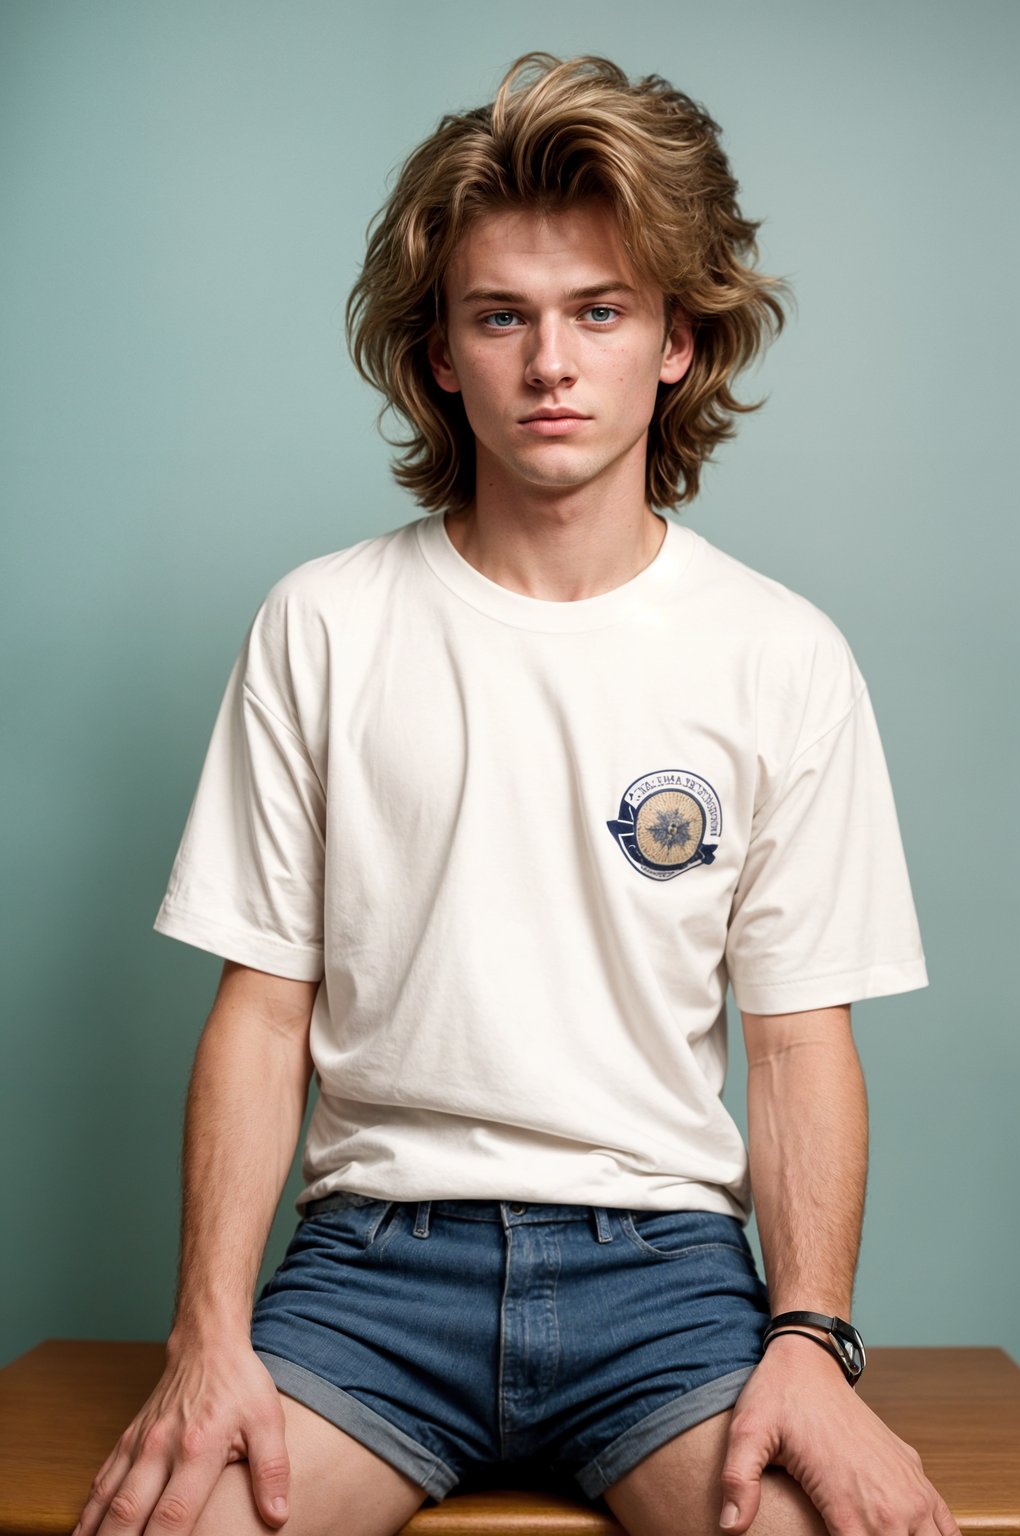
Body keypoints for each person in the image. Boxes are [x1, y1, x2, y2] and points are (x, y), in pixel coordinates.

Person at [75, 54, 960, 1536]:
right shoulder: (325, 624)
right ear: (441, 354)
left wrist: (809, 1341)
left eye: (599, 312)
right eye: (504, 316)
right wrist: (208, 1336)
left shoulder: (781, 654)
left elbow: (802, 1043)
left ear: (677, 339)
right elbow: (261, 1011)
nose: (552, 362)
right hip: (369, 1274)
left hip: (667, 1286)